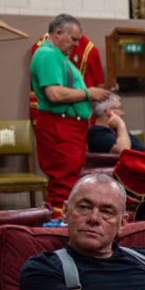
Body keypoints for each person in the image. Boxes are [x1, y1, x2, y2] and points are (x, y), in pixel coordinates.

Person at [28, 14, 113, 213]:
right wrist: (88, 93)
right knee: (63, 186)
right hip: (60, 128)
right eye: (73, 39)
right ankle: (60, 226)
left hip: (67, 127)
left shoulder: (56, 55)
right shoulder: (48, 54)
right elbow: (54, 93)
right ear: (58, 33)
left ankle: (58, 222)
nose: (76, 44)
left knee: (66, 185)